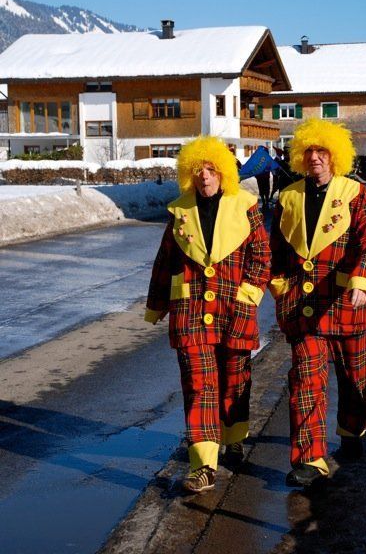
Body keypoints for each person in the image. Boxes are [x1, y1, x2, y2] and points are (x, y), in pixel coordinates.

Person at [145, 136, 271, 493]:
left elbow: (261, 256)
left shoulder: (245, 206)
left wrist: (248, 295)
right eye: (198, 170)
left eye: (211, 169)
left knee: (235, 380)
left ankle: (233, 437)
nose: (204, 176)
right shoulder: (180, 211)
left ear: (223, 173)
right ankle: (202, 464)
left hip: (235, 309)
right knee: (198, 385)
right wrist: (157, 304)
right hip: (190, 312)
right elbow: (165, 261)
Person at [269, 118, 366, 488]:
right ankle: (310, 458)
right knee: (306, 381)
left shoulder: (356, 193)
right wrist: (278, 284)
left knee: (355, 378)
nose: (315, 157)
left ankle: (352, 430)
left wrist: (363, 279)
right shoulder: (288, 197)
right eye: (309, 151)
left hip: (346, 303)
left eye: (322, 151)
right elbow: (276, 249)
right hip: (303, 308)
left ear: (335, 155)